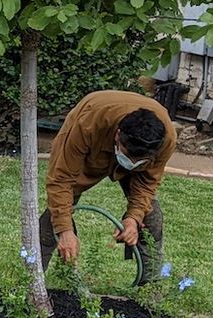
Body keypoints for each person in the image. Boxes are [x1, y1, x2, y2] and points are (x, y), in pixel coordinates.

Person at [41, 90, 175, 277]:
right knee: (56, 214)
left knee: (151, 216)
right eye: (128, 156)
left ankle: (151, 287)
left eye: (138, 161)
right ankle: (32, 281)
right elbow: (61, 180)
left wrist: (133, 218)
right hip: (92, 137)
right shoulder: (87, 124)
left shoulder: (165, 140)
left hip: (133, 147)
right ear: (118, 135)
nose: (131, 163)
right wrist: (64, 230)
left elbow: (147, 184)